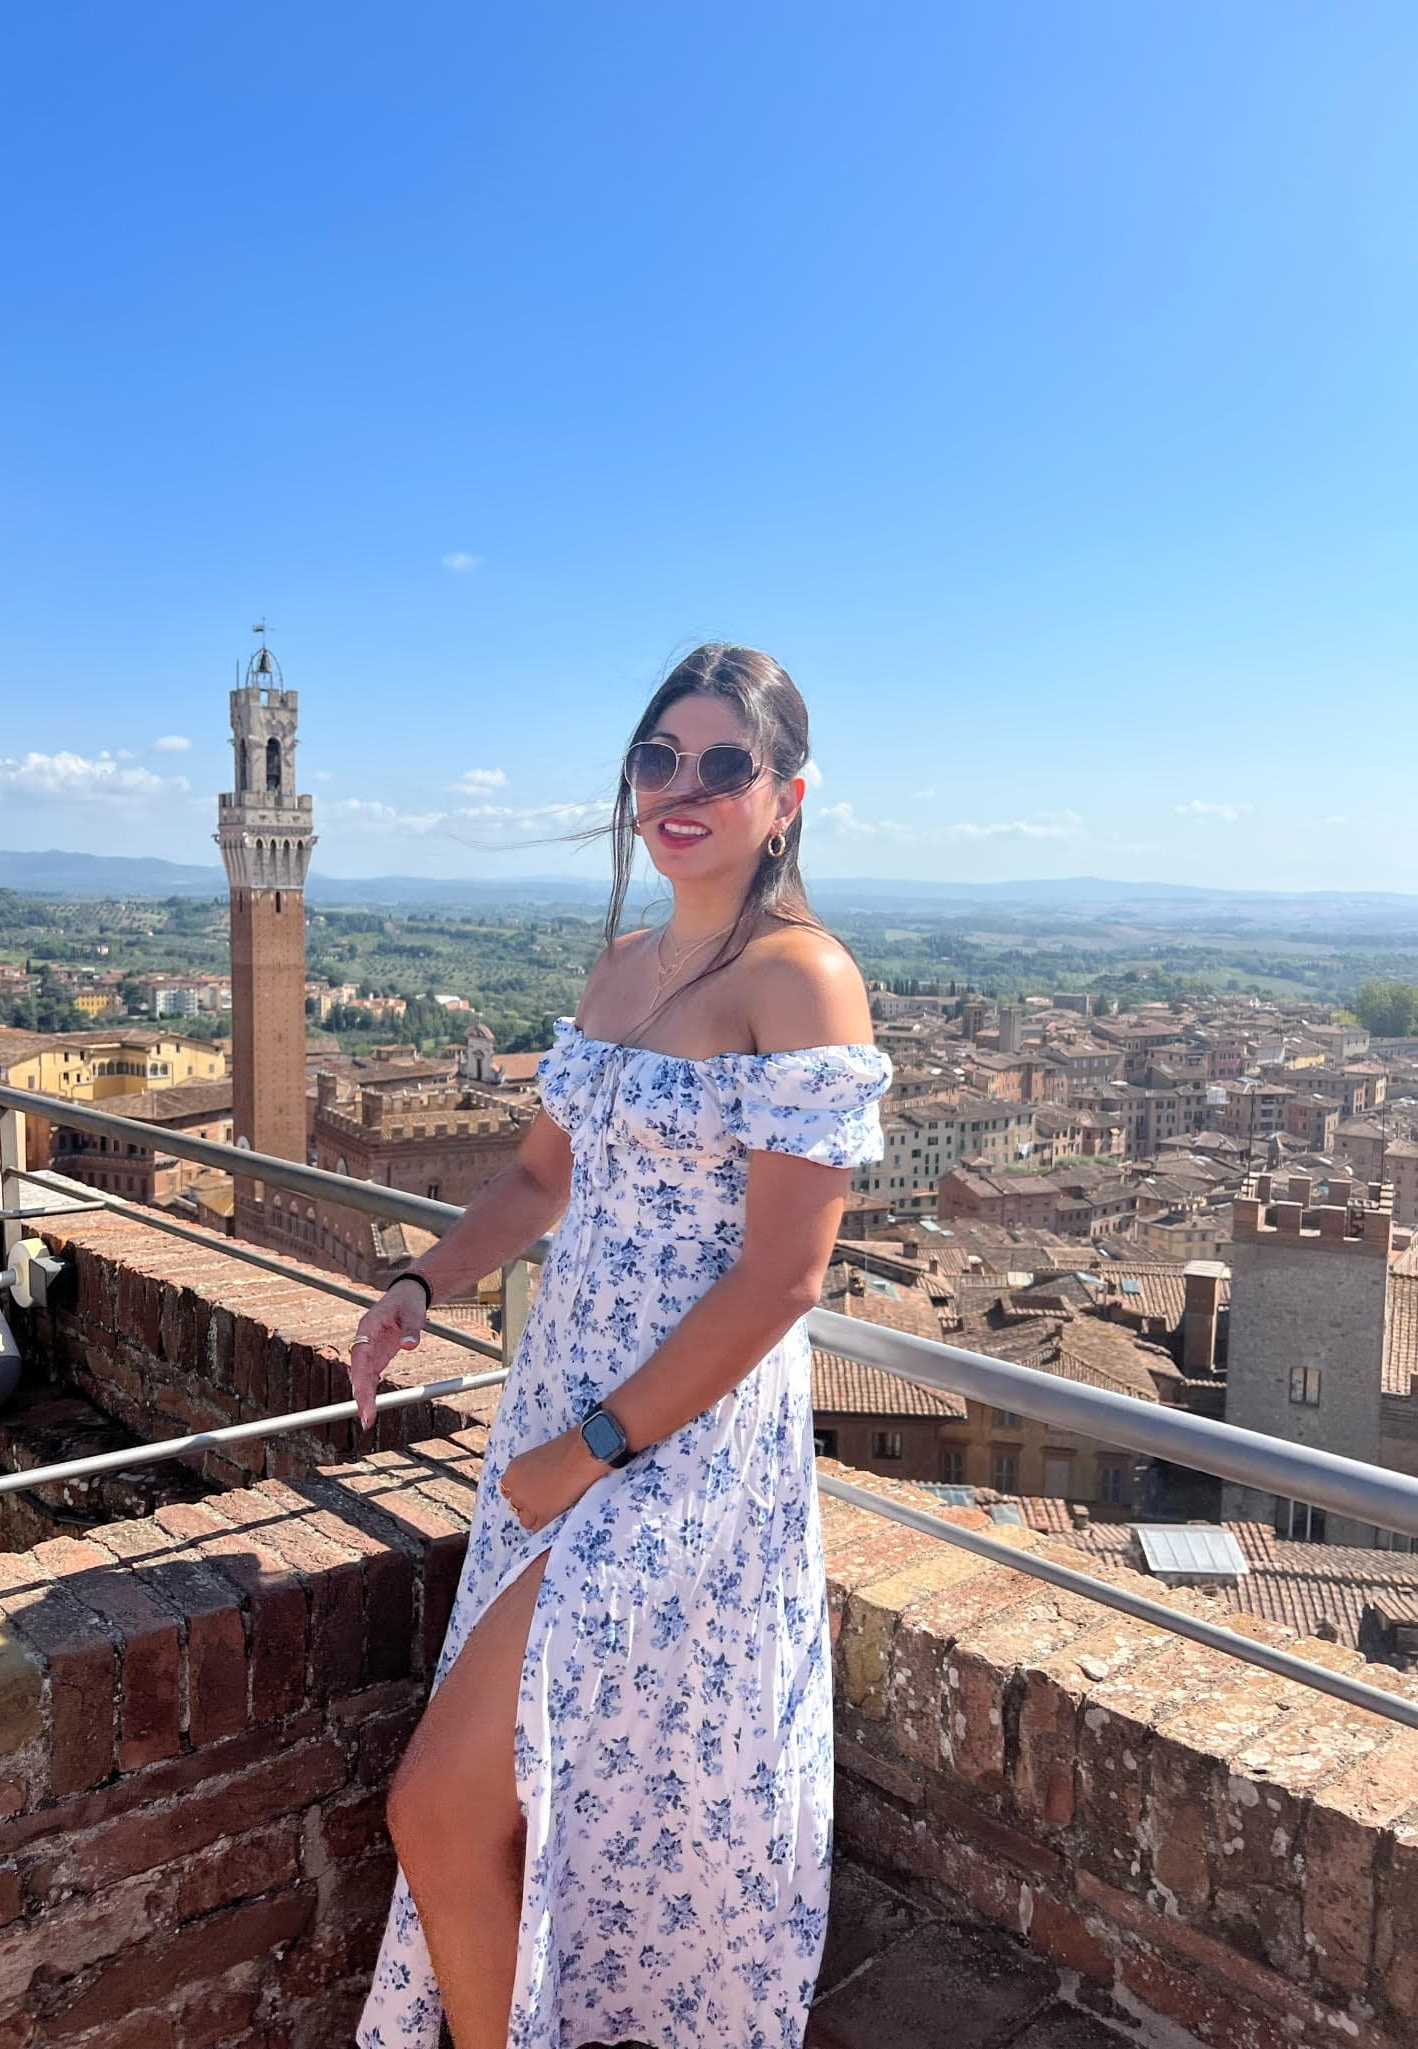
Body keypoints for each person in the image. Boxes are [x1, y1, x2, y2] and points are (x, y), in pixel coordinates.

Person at [349, 643, 893, 2049]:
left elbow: (783, 1275)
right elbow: (542, 1179)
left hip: (672, 1452)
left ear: (788, 795)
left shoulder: (803, 980)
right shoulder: (619, 969)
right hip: (562, 1419)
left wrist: (585, 1454)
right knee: (533, 1800)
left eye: (725, 763)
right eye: (659, 757)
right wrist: (420, 1280)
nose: (684, 786)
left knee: (444, 1800)